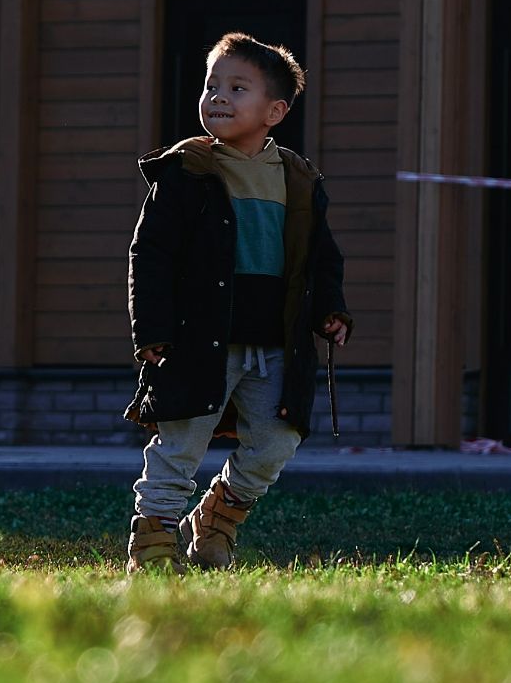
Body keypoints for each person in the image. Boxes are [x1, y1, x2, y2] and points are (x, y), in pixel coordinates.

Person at [123, 32, 352, 573]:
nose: (217, 97)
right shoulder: (186, 172)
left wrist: (332, 310)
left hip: (276, 341)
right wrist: (152, 329)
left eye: (237, 87)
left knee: (278, 440)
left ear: (275, 110)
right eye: (211, 85)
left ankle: (217, 519)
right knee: (181, 443)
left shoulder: (297, 178)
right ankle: (153, 545)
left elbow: (322, 256)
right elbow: (149, 253)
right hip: (199, 338)